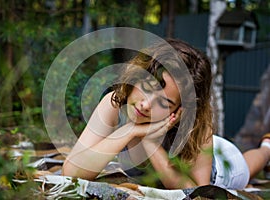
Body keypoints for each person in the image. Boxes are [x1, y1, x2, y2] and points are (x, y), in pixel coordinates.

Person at [62, 38, 270, 190]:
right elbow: (71, 172)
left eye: (164, 102)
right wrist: (130, 131)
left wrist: (151, 144)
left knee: (248, 167)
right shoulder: (115, 102)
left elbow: (197, 192)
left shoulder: (197, 125)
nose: (144, 105)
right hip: (204, 150)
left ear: (181, 110)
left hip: (224, 166)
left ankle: (267, 147)